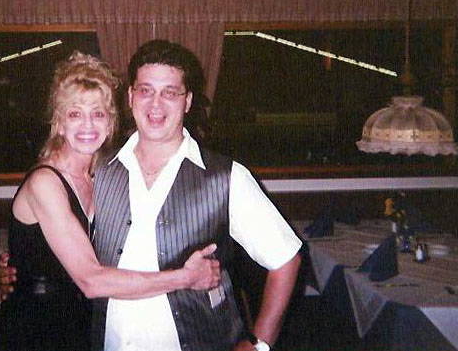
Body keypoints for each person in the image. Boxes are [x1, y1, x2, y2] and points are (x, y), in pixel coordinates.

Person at [0, 51, 221, 351]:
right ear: (59, 122)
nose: (88, 125)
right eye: (75, 114)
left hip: (83, 327)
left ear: (110, 122)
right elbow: (91, 280)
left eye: (98, 113)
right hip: (34, 332)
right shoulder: (45, 183)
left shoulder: (105, 174)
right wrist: (185, 278)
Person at [90, 39, 302, 351]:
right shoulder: (99, 170)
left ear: (187, 101)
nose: (156, 104)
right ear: (131, 96)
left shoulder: (226, 177)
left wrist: (259, 344)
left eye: (170, 93)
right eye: (146, 90)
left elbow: (285, 259)